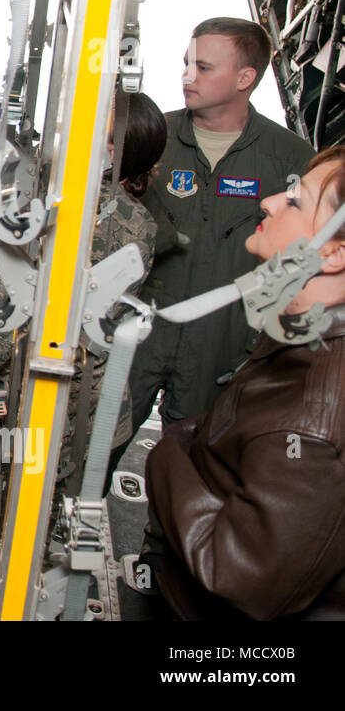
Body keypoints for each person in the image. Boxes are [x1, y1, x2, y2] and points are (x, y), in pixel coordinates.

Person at [0, 93, 166, 534]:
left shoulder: (44, 215)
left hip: (9, 418)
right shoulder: (140, 225)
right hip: (85, 421)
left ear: (109, 150)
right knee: (39, 536)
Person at [142, 145, 345, 620]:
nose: (270, 202)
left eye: (295, 201)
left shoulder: (319, 413)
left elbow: (236, 574)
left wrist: (167, 451)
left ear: (334, 252)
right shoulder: (301, 339)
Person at [119, 18, 315, 470]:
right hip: (136, 332)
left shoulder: (291, 160)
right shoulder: (150, 140)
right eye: (187, 64)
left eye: (203, 67)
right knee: (86, 455)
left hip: (223, 347)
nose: (187, 76)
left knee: (194, 474)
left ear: (245, 78)